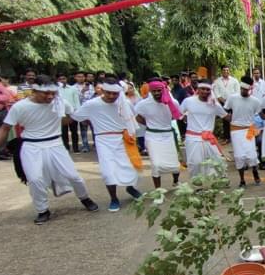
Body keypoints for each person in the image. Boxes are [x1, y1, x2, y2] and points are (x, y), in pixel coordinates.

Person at [0, 75, 99, 223]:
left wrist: (66, 118)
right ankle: (42, 210)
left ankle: (85, 198)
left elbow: (70, 118)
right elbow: (5, 128)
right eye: (46, 93)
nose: (50, 96)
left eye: (53, 93)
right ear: (34, 91)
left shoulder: (60, 102)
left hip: (55, 144)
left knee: (73, 176)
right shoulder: (20, 107)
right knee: (35, 179)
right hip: (31, 146)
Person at [71, 79, 142, 211]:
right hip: (103, 140)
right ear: (102, 91)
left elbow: (133, 119)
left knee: (131, 168)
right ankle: (114, 199)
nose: (111, 96)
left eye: (115, 93)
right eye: (108, 93)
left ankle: (131, 188)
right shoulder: (92, 104)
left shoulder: (125, 103)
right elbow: (77, 116)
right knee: (108, 172)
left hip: (123, 139)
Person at [135, 80, 182, 188]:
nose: (157, 93)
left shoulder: (173, 103)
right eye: (154, 91)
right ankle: (158, 190)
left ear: (163, 90)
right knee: (156, 165)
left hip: (168, 135)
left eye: (159, 90)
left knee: (174, 164)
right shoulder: (143, 104)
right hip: (152, 136)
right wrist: (149, 124)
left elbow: (177, 115)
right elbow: (137, 116)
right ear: (150, 92)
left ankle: (176, 181)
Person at [177, 81, 227, 179]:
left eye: (207, 89)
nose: (205, 91)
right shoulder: (188, 101)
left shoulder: (214, 104)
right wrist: (184, 117)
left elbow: (226, 116)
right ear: (198, 90)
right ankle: (197, 185)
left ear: (210, 91)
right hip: (192, 137)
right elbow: (178, 114)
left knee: (217, 160)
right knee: (195, 163)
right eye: (202, 89)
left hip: (209, 138)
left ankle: (220, 181)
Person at [224, 75, 263, 188]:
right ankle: (242, 180)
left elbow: (261, 115)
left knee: (251, 156)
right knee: (239, 156)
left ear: (250, 89)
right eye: (242, 89)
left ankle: (255, 171)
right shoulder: (232, 98)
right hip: (236, 130)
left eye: (246, 90)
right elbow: (225, 111)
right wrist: (230, 118)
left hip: (249, 130)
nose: (243, 91)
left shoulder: (255, 101)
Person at [214, 65, 240, 142]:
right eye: (224, 70)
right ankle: (227, 138)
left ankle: (235, 137)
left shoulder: (234, 80)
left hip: (233, 103)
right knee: (225, 121)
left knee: (234, 120)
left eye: (227, 70)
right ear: (221, 71)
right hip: (223, 103)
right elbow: (217, 94)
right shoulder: (217, 81)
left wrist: (231, 101)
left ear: (229, 71)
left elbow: (237, 92)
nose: (226, 72)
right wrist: (225, 102)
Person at [56, 73, 81, 153]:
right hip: (61, 113)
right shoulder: (56, 90)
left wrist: (78, 112)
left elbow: (76, 101)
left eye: (64, 78)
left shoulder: (72, 89)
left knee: (74, 131)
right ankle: (66, 148)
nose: (62, 80)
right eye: (60, 79)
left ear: (66, 79)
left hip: (72, 113)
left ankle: (75, 147)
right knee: (64, 132)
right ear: (57, 80)